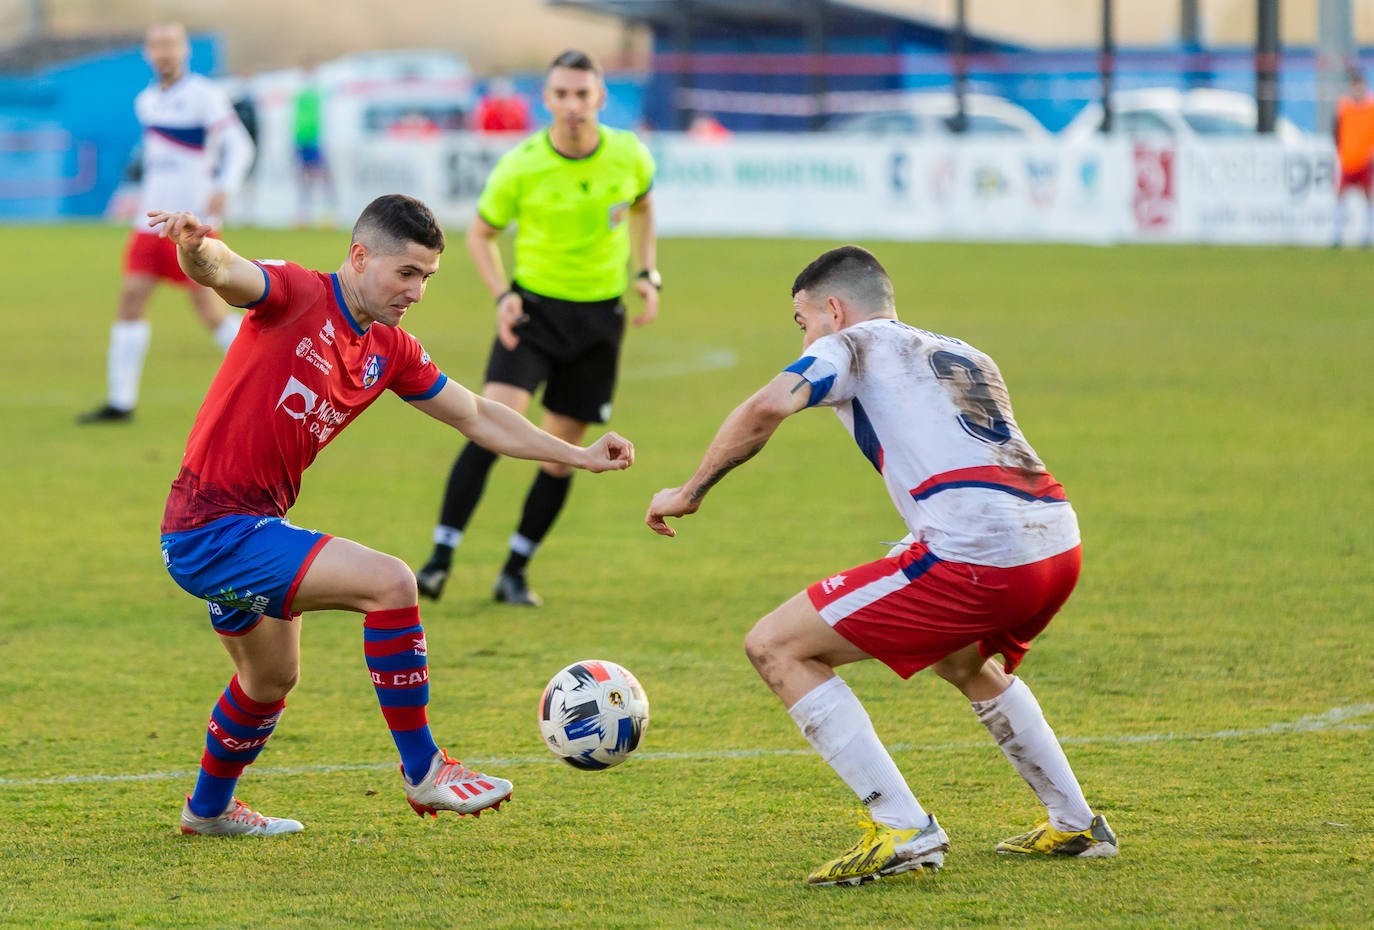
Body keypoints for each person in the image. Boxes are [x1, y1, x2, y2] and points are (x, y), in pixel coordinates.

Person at [153, 193, 635, 836]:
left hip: (255, 523)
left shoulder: (391, 349)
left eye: (427, 277)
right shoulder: (296, 293)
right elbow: (227, 270)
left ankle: (207, 812)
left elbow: (478, 415)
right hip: (212, 527)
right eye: (405, 273)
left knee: (270, 680)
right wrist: (196, 248)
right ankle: (424, 769)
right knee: (392, 583)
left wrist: (576, 453)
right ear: (359, 256)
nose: (417, 290)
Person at [645, 246, 1116, 885]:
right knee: (962, 660)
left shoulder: (849, 345)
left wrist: (689, 490)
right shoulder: (963, 351)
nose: (806, 335)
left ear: (833, 309)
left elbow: (767, 407)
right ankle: (1077, 823)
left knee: (775, 646)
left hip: (979, 551)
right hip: (1057, 537)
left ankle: (903, 825)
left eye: (802, 321)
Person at [415, 49, 659, 607]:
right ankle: (438, 561)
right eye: (561, 94)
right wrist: (503, 296)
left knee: (561, 455)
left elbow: (645, 207)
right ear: (546, 100)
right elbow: (479, 233)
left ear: (600, 97)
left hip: (600, 320)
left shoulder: (630, 155)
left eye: (583, 94)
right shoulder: (521, 165)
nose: (573, 105)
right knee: (488, 424)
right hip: (534, 315)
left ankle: (515, 571)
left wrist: (647, 273)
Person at [79, 22, 255, 424]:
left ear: (184, 51)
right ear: (147, 52)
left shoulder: (205, 96)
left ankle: (263, 375)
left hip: (191, 224)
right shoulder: (147, 101)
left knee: (209, 310)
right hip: (150, 224)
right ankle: (120, 402)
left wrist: (225, 186)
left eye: (171, 45)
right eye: (157, 45)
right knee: (130, 299)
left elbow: (240, 145)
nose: (164, 52)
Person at [1333, 69, 1374, 248]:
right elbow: (1336, 130)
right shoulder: (1344, 107)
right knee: (1340, 197)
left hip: (1365, 161)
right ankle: (1336, 235)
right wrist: (1340, 150)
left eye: (1360, 86)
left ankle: (1366, 235)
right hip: (1347, 159)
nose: (1357, 90)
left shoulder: (1371, 107)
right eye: (1354, 86)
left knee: (1367, 198)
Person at [292, 63, 334, 226]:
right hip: (302, 140)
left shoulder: (320, 92)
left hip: (318, 141)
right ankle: (304, 214)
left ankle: (326, 214)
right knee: (304, 178)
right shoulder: (299, 93)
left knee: (321, 177)